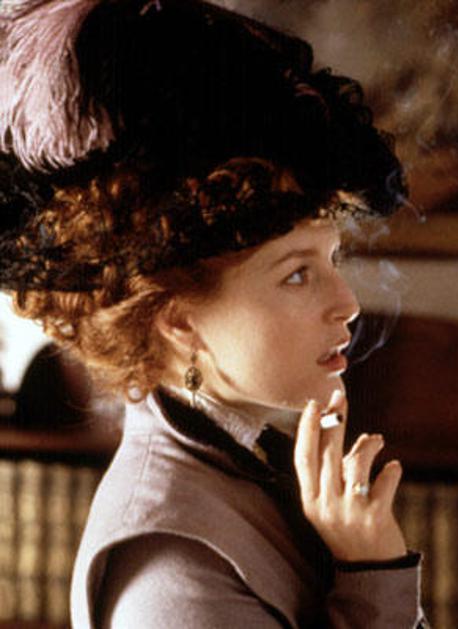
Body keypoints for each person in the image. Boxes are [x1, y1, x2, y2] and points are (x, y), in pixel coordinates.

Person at [0, 0, 428, 626]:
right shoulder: (172, 574)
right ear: (179, 320)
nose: (348, 303)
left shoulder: (251, 469)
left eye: (331, 259)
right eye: (297, 273)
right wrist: (374, 579)